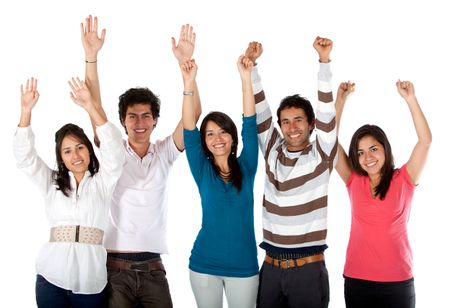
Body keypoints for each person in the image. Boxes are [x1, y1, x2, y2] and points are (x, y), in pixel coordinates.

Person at [80, 16, 200, 307]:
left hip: (154, 271)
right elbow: (93, 105)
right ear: (122, 121)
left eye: (146, 115)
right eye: (132, 116)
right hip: (115, 269)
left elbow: (192, 118)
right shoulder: (113, 152)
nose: (139, 122)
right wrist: (91, 57)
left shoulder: (165, 152)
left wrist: (188, 72)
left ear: (155, 120)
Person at [14, 76, 125, 308]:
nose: (75, 156)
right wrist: (26, 112)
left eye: (80, 147)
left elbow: (114, 148)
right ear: (61, 159)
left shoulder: (103, 181)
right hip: (50, 277)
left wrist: (90, 107)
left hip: (90, 281)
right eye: (67, 151)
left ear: (88, 149)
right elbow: (25, 158)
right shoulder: (51, 182)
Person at [247, 37, 335, 307]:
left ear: (311, 124)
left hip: (307, 271)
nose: (292, 127)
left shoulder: (321, 152)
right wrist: (252, 67)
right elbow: (261, 110)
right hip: (271, 267)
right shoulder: (273, 147)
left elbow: (326, 111)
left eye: (298, 120)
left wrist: (323, 62)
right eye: (285, 121)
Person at [334, 80, 432, 308]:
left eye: (373, 149)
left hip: (397, 281)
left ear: (385, 149)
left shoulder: (404, 178)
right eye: (360, 152)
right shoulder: (353, 180)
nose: (367, 157)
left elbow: (425, 142)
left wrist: (410, 99)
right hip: (357, 279)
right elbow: (329, 143)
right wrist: (341, 101)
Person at [180, 51, 259, 307]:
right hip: (204, 264)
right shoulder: (201, 169)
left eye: (223, 132)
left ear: (232, 137)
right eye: (210, 134)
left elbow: (250, 123)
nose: (217, 138)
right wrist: (188, 83)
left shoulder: (247, 165)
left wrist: (245, 78)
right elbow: (189, 129)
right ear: (204, 142)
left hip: (244, 265)